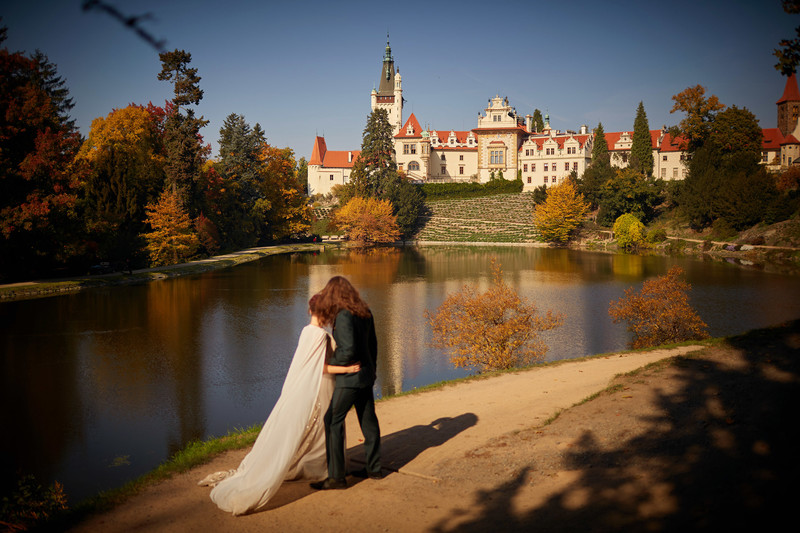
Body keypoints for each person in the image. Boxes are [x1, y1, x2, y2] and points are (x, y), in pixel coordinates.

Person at [198, 295, 359, 515]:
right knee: (324, 428)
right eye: (330, 312)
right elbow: (321, 368)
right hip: (320, 388)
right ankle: (325, 469)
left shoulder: (306, 331)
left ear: (309, 310)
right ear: (323, 312)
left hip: (312, 387)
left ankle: (322, 468)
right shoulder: (320, 336)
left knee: (318, 429)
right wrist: (348, 370)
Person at [311, 276, 382, 490]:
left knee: (332, 420)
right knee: (368, 422)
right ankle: (374, 469)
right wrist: (372, 370)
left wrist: (329, 363)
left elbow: (348, 350)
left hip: (350, 378)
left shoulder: (343, 315)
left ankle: (336, 477)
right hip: (366, 375)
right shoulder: (365, 312)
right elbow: (374, 346)